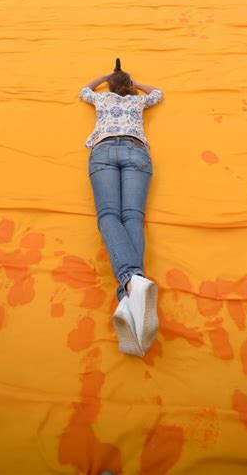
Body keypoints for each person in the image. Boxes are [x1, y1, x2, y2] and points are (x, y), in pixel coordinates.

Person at [79, 69, 164, 357]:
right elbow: (158, 94)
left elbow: (84, 90)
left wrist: (105, 76)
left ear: (110, 86)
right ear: (128, 86)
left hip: (104, 151)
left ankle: (130, 282)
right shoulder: (137, 102)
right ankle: (130, 297)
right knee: (132, 218)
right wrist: (136, 84)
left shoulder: (102, 99)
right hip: (136, 151)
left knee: (108, 216)